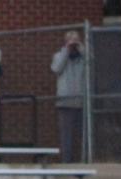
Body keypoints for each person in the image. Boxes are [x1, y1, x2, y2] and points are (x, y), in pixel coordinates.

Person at [50, 31, 86, 163]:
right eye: (71, 41)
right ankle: (66, 161)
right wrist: (67, 50)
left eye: (76, 41)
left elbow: (92, 63)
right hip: (64, 102)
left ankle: (84, 159)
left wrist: (81, 48)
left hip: (81, 102)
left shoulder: (83, 58)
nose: (74, 45)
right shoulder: (59, 55)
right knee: (66, 135)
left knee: (82, 135)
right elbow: (56, 69)